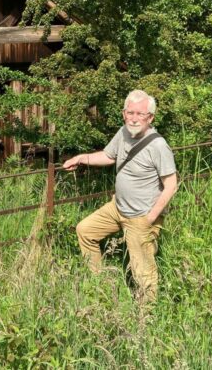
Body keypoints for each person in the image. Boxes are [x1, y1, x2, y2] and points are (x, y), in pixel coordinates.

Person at [62, 90, 177, 304]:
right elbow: (108, 155)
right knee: (85, 231)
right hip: (117, 208)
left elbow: (171, 185)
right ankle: (102, 289)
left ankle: (146, 319)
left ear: (150, 117)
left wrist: (151, 218)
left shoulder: (158, 146)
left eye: (140, 114)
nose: (134, 118)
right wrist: (81, 158)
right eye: (130, 112)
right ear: (124, 114)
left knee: (142, 271)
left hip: (141, 217)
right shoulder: (123, 132)